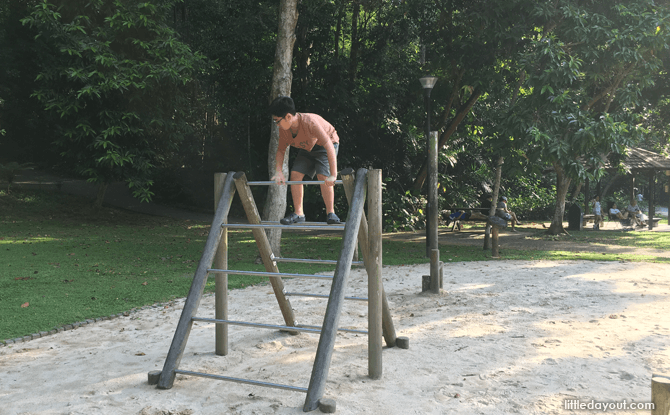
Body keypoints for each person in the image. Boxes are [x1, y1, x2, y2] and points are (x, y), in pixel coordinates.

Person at [269, 96, 341, 225]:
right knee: (295, 174)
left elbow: (329, 146)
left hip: (326, 145)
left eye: (277, 121)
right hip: (307, 147)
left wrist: (333, 175)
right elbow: (280, 150)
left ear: (288, 117)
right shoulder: (284, 130)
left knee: (323, 176)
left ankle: (331, 213)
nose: (277, 125)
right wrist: (278, 171)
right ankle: (299, 213)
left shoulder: (310, 122)